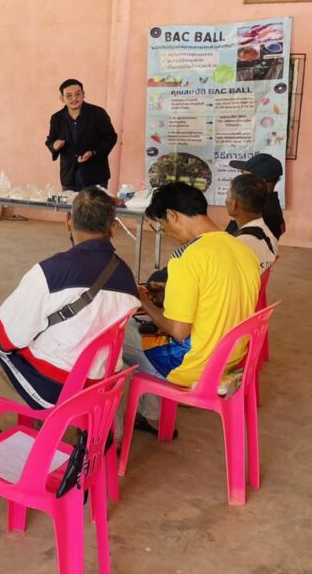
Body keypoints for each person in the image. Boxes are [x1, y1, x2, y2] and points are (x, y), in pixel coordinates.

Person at [0, 187, 140, 449]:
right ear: (113, 228)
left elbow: (6, 337)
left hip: (52, 387)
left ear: (68, 221)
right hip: (99, 387)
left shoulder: (51, 273)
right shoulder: (127, 277)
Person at [123, 182, 259, 434]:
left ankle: (113, 432)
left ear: (172, 215)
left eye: (164, 225)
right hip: (233, 357)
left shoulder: (186, 258)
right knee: (143, 331)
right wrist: (169, 292)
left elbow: (179, 331)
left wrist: (145, 302)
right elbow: (217, 294)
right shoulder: (243, 249)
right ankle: (153, 416)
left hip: (196, 364)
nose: (168, 232)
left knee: (118, 334)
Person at [45, 78, 118, 191]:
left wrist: (93, 152)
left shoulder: (98, 113)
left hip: (95, 175)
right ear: (62, 98)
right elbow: (50, 140)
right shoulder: (57, 118)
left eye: (78, 94)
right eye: (69, 96)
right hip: (69, 177)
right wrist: (55, 145)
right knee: (71, 203)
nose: (74, 98)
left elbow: (110, 137)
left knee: (95, 203)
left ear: (84, 94)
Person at [225, 174, 278, 273]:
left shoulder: (239, 244)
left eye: (227, 194)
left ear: (235, 203)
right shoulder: (270, 238)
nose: (226, 199)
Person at [227, 153, 285, 239]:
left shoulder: (262, 211)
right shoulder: (263, 204)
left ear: (259, 182)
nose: (240, 180)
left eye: (245, 177)